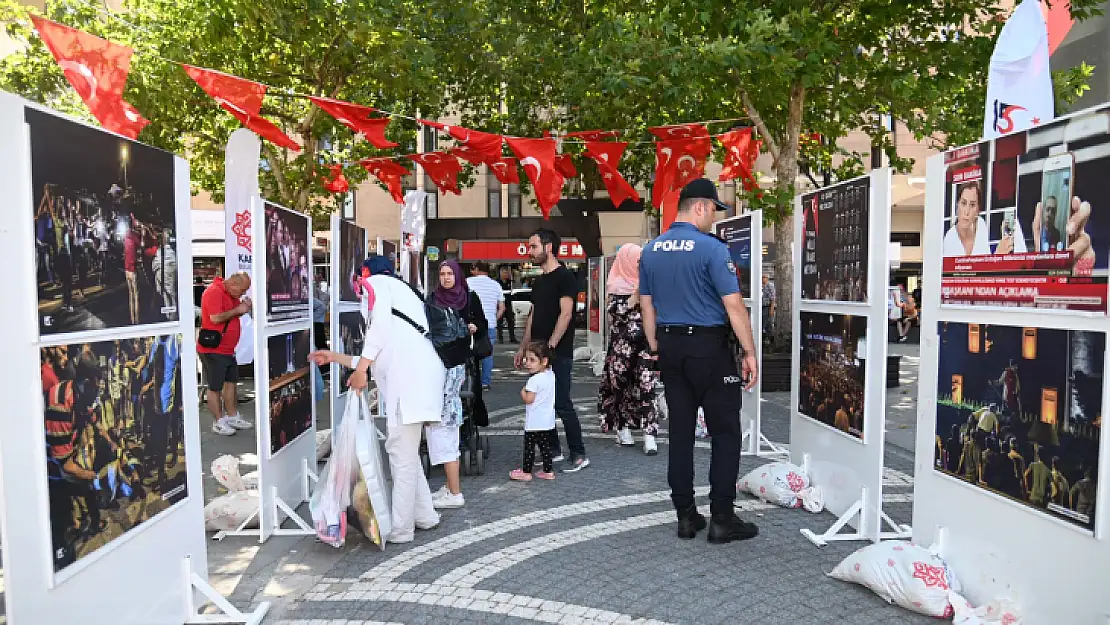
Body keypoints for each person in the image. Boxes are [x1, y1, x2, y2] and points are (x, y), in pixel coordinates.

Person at [639, 178, 760, 544]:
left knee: (680, 432)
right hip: (710, 349)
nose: (714, 220)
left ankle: (686, 516)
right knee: (725, 432)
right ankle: (722, 516)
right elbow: (734, 305)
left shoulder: (652, 249)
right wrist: (750, 352)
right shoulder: (711, 249)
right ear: (702, 206)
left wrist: (656, 347)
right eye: (714, 211)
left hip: (671, 348)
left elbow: (646, 305)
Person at [311, 255, 445, 543]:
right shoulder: (402, 291)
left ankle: (402, 528)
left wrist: (360, 371)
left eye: (359, 277)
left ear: (366, 273)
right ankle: (424, 515)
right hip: (419, 379)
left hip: (409, 383)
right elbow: (380, 349)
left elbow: (378, 331)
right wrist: (336, 358)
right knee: (406, 451)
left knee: (402, 456)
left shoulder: (376, 284)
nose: (358, 285)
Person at [515, 229, 589, 473]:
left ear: (548, 247)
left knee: (562, 403)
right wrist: (524, 347)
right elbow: (533, 315)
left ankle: (578, 453)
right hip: (538, 353)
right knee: (542, 403)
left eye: (534, 246)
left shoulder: (565, 277)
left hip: (557, 353)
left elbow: (566, 313)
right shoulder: (539, 280)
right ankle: (554, 450)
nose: (530, 251)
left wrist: (552, 346)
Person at [428, 259, 488, 510]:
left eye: (449, 273)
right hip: (441, 358)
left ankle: (464, 433)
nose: (446, 278)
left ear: (457, 275)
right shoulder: (433, 299)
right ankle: (449, 445)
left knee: (467, 396)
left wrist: (474, 327)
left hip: (465, 357)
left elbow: (484, 325)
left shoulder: (469, 297)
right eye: (442, 274)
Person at [597, 243, 661, 455]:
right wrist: (634, 298)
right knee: (621, 389)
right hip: (621, 349)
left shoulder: (650, 283)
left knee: (647, 387)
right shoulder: (616, 285)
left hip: (645, 345)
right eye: (637, 261)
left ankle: (650, 435)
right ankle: (623, 428)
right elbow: (616, 313)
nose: (641, 265)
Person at [197, 272, 254, 435]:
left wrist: (242, 309)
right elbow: (215, 318)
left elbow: (232, 314)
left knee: (231, 382)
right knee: (214, 386)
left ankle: (232, 416)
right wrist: (239, 309)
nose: (243, 294)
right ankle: (218, 421)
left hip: (228, 349)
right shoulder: (214, 292)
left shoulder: (230, 293)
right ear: (233, 284)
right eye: (242, 290)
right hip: (213, 349)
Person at [510, 342, 557, 482]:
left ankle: (526, 472)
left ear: (544, 361)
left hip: (534, 421)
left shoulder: (534, 380)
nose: (527, 363)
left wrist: (523, 391)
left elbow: (529, 399)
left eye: (532, 360)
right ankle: (548, 471)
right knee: (545, 447)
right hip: (547, 420)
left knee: (529, 448)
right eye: (526, 359)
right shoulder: (550, 374)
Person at [942, 181, 1026, 257]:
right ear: (957, 205)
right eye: (963, 203)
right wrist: (997, 256)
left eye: (972, 205)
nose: (966, 211)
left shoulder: (984, 227)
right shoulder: (950, 239)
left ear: (978, 209)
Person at [467, 261, 505, 390]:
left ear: (477, 269)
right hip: (490, 324)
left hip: (472, 324)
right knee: (487, 354)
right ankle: (485, 382)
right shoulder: (496, 285)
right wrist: (494, 317)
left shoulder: (468, 282)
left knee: (469, 352)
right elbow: (502, 307)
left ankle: (469, 381)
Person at [497, 266, 518, 343]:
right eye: (504, 272)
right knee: (500, 322)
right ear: (500, 273)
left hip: (508, 304)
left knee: (511, 321)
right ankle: (500, 338)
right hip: (500, 304)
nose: (506, 274)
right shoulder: (497, 282)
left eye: (507, 273)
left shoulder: (510, 282)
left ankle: (512, 337)